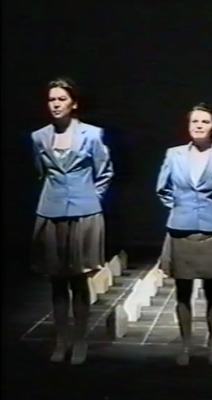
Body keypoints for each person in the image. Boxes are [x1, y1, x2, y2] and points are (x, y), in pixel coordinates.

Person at [31, 77, 114, 365]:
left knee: (79, 280)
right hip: (51, 212)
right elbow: (40, 172)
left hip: (83, 213)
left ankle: (80, 340)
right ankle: (61, 340)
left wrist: (88, 197)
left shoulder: (92, 134)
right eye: (51, 99)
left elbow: (104, 171)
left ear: (73, 103)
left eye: (61, 99)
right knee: (56, 281)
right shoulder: (39, 137)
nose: (55, 104)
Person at [156, 102, 212, 367]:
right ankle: (186, 345)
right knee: (182, 292)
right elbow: (163, 189)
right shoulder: (173, 155)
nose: (198, 126)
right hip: (181, 230)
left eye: (205, 121)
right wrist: (182, 209)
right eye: (194, 121)